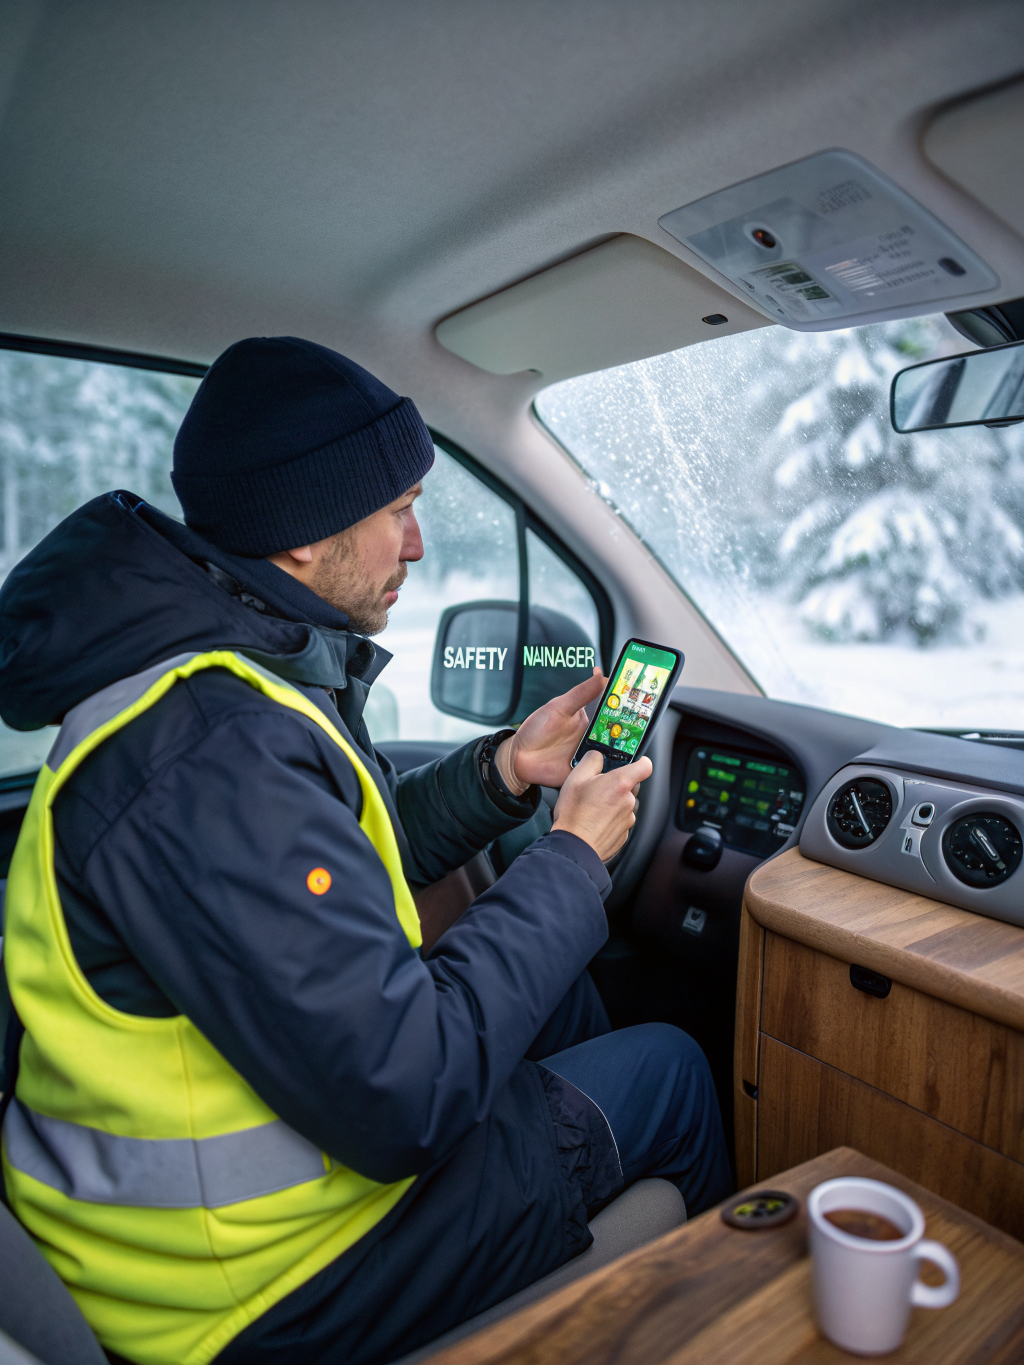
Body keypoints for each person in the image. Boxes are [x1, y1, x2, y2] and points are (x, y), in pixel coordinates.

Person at [0, 337, 730, 1365]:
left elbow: (339, 859)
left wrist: (503, 774)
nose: (417, 545)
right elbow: (407, 1100)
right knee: (670, 1068)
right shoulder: (212, 749)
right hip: (245, 1286)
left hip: (214, 1213)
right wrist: (571, 857)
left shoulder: (219, 679)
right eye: (397, 512)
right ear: (301, 537)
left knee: (559, 1000)